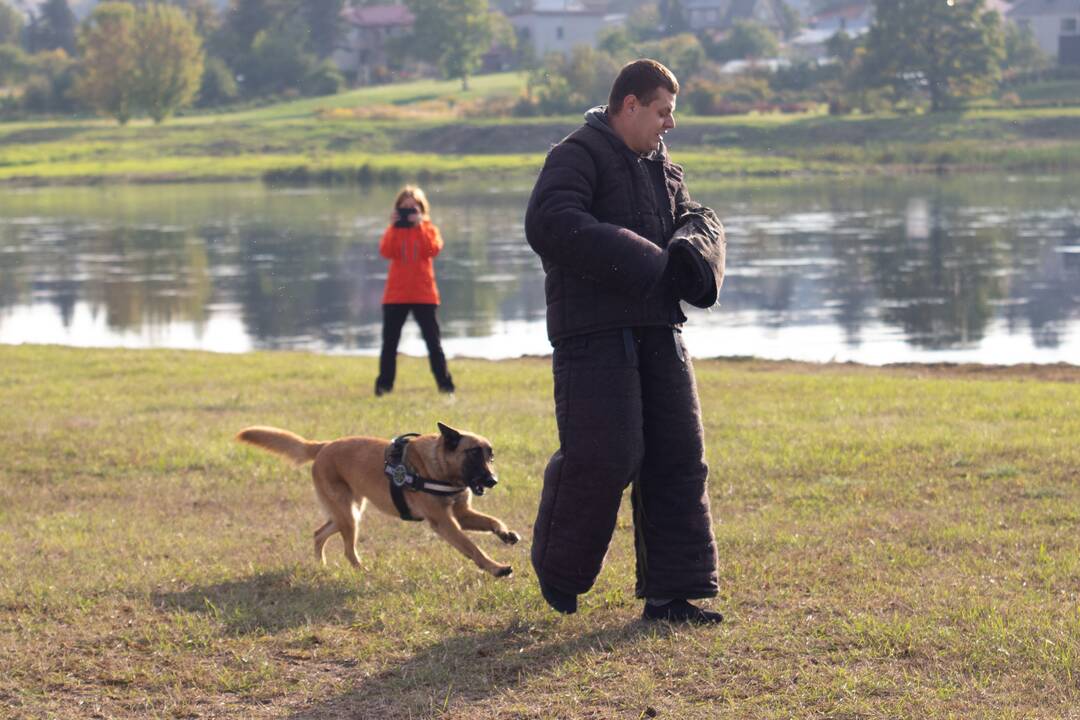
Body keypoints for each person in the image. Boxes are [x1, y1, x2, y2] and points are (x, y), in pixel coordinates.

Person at [524, 59, 727, 624]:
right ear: (629, 105)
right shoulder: (574, 155)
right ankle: (560, 572)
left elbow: (693, 218)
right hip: (593, 336)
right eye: (663, 112)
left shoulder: (664, 169)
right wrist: (647, 260)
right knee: (605, 455)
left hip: (658, 330)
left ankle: (671, 597)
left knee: (677, 458)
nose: (670, 125)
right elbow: (550, 221)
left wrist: (693, 249)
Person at [375, 185, 455, 396]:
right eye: (405, 208)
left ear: (421, 209)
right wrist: (393, 227)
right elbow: (385, 251)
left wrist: (419, 226)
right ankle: (383, 388)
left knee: (433, 344)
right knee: (389, 345)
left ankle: (446, 387)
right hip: (396, 295)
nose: (408, 212)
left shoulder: (429, 229)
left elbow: (433, 249)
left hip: (424, 295)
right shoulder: (393, 231)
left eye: (413, 208)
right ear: (397, 209)